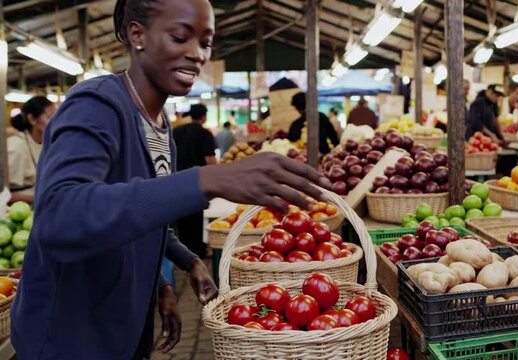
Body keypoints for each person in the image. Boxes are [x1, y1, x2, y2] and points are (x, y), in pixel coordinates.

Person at [11, 1, 328, 359]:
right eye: (180, 37)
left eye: (205, 42)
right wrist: (205, 178)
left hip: (121, 325)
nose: (197, 54)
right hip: (68, 337)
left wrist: (175, 269)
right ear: (137, 34)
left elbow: (139, 210)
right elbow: (59, 216)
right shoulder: (95, 104)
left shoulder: (160, 125)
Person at [172, 103, 217, 258]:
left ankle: (183, 251)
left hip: (176, 179)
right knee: (196, 217)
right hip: (197, 181)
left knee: (182, 218)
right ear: (204, 117)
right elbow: (210, 160)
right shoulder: (205, 134)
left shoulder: (176, 131)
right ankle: (196, 252)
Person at [7, 96, 56, 204]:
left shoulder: (46, 144)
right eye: (50, 117)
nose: (57, 122)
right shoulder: (17, 147)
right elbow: (4, 194)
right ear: (32, 119)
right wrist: (40, 199)